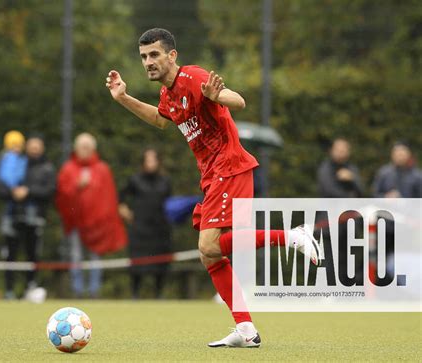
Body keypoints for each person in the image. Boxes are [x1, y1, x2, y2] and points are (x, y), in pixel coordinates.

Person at [105, 28, 321, 347]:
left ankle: (292, 236)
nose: (148, 62)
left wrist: (217, 96)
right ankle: (246, 330)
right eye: (143, 57)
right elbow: (161, 119)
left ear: (172, 56)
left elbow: (239, 101)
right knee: (211, 254)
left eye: (154, 55)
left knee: (209, 246)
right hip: (214, 176)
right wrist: (123, 97)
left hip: (229, 166)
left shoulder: (192, 77)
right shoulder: (167, 95)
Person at [56, 133, 127, 299]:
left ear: (93, 149)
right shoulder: (68, 169)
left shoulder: (102, 169)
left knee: (96, 257)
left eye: (88, 147)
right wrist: (77, 186)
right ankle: (78, 291)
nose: (85, 150)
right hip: (76, 224)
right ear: (76, 148)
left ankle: (94, 291)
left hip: (97, 225)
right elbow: (62, 195)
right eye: (82, 147)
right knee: (76, 256)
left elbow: (109, 198)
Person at [0, 135, 56, 299]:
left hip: (34, 218)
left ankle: (30, 288)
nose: (35, 149)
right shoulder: (16, 163)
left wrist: (28, 191)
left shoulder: (47, 167)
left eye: (38, 146)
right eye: (31, 146)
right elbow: (0, 187)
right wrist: (13, 192)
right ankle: (9, 290)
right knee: (10, 255)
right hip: (12, 216)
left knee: (32, 255)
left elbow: (50, 190)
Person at [119, 148, 172, 299]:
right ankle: (135, 294)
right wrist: (125, 212)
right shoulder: (135, 179)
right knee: (137, 264)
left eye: (153, 159)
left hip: (160, 229)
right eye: (147, 160)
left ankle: (159, 294)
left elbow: (170, 202)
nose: (150, 163)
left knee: (161, 265)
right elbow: (121, 198)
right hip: (140, 229)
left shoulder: (165, 181)